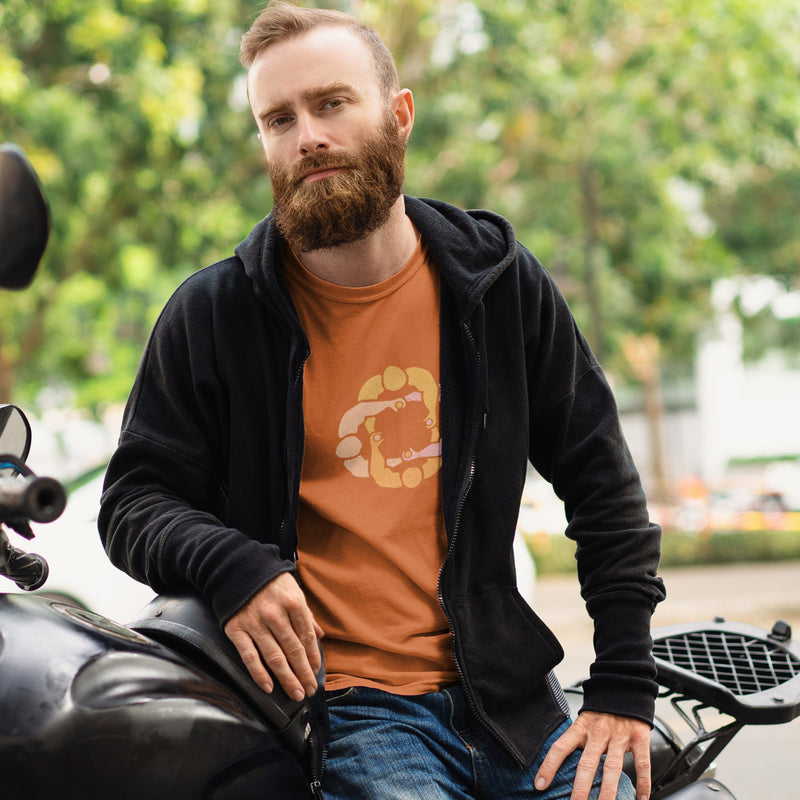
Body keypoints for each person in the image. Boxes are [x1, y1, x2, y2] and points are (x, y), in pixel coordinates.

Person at [98, 3, 666, 799]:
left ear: (398, 117)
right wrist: (232, 565)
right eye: (279, 119)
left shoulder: (499, 285)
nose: (307, 137)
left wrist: (622, 687)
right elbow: (132, 501)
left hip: (510, 701)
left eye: (331, 103)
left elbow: (604, 486)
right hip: (349, 711)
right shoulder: (214, 314)